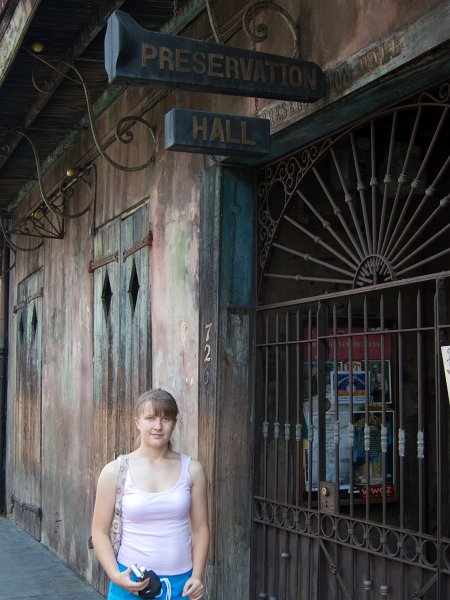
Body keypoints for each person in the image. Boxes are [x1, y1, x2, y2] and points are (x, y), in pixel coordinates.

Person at [91, 388, 209, 600]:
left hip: (182, 585)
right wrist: (116, 576)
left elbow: (200, 529)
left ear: (174, 423)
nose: (158, 426)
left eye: (165, 418)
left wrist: (198, 575)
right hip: (131, 582)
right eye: (150, 418)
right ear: (138, 422)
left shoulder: (192, 469)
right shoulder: (115, 471)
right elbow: (99, 531)